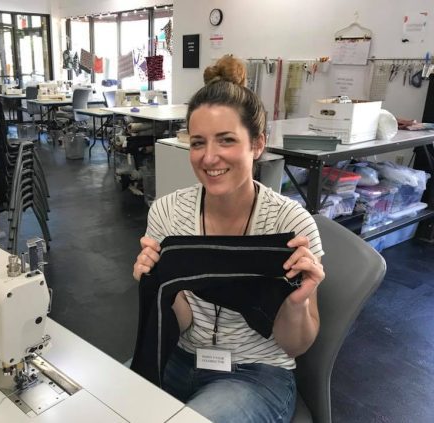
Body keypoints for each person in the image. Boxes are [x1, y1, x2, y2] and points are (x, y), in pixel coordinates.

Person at [133, 55, 325, 423]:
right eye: (197, 142)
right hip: (179, 356)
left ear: (257, 144)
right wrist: (154, 282)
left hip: (256, 373)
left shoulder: (289, 224)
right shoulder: (168, 213)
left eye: (226, 140)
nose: (209, 158)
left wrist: (297, 303)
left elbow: (295, 345)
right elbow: (185, 323)